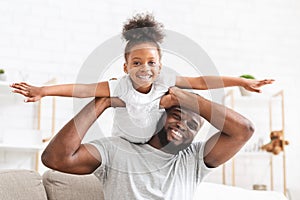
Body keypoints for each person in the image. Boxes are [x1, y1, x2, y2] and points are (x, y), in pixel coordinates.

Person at [11, 13, 270, 143]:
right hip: (124, 142)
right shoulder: (120, 86)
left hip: (152, 144)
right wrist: (44, 91)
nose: (144, 68)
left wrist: (241, 81)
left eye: (151, 62)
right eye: (136, 63)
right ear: (126, 67)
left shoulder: (166, 79)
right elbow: (81, 89)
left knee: (178, 100)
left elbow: (202, 81)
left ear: (159, 66)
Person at [41, 87, 255, 199]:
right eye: (177, 115)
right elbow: (55, 158)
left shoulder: (193, 160)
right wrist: (103, 101)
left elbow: (244, 130)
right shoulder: (116, 149)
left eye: (192, 125)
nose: (182, 126)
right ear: (160, 115)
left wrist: (184, 97)